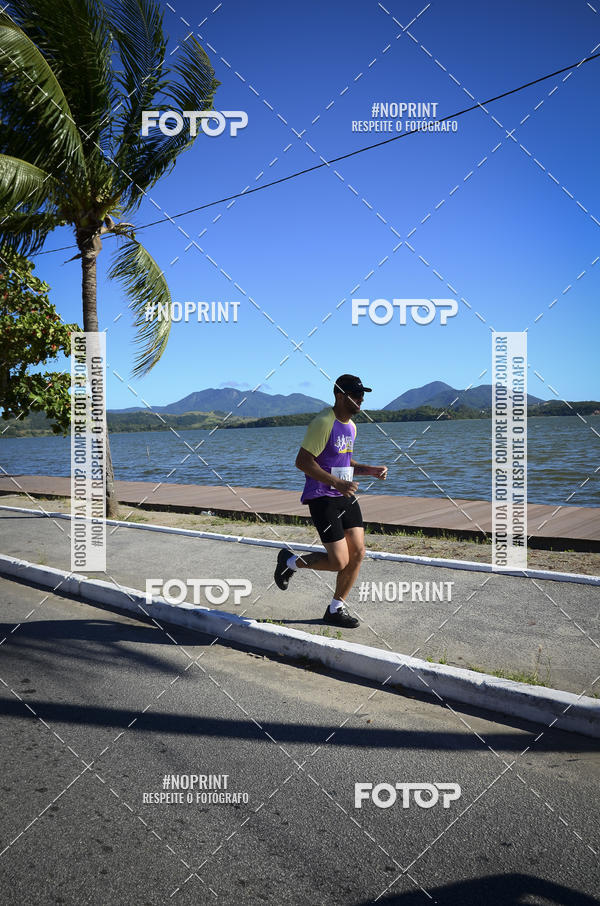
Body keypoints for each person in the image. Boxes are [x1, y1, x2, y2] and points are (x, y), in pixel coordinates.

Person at [274, 374, 387, 628]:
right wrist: (335, 483)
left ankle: (335, 609)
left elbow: (345, 463)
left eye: (362, 395)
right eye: (356, 395)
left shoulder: (352, 427)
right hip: (322, 497)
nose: (361, 400)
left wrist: (370, 470)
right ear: (340, 396)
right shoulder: (323, 422)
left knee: (357, 553)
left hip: (344, 496)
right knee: (338, 561)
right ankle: (289, 562)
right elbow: (302, 462)